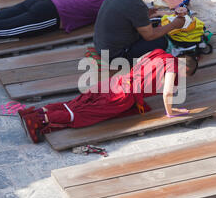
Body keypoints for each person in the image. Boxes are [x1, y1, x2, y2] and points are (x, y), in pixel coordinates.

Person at [18, 49, 198, 143]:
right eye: (184, 77)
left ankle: (36, 112)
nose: (180, 79)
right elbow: (167, 92)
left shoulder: (159, 52)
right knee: (83, 114)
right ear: (185, 69)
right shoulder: (173, 68)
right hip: (123, 95)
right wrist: (170, 112)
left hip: (116, 81)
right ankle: (37, 121)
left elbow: (140, 60)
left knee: (76, 104)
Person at [93, 0, 186, 65]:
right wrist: (175, 24)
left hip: (101, 44)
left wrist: (146, 14)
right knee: (161, 42)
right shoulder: (136, 5)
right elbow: (149, 36)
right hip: (115, 56)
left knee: (156, 24)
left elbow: (127, 14)